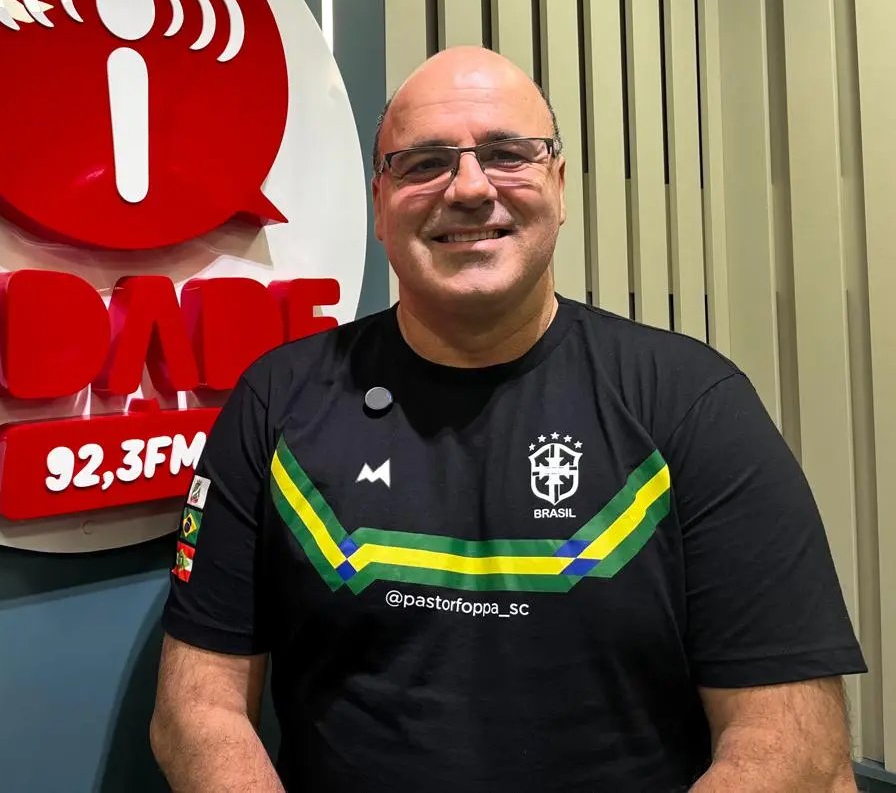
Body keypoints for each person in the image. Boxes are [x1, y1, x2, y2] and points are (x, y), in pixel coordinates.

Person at [149, 46, 865, 791]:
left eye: (507, 154)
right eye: (424, 163)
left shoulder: (691, 402)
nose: (468, 188)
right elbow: (197, 709)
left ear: (559, 185)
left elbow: (793, 746)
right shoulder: (277, 400)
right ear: (380, 205)